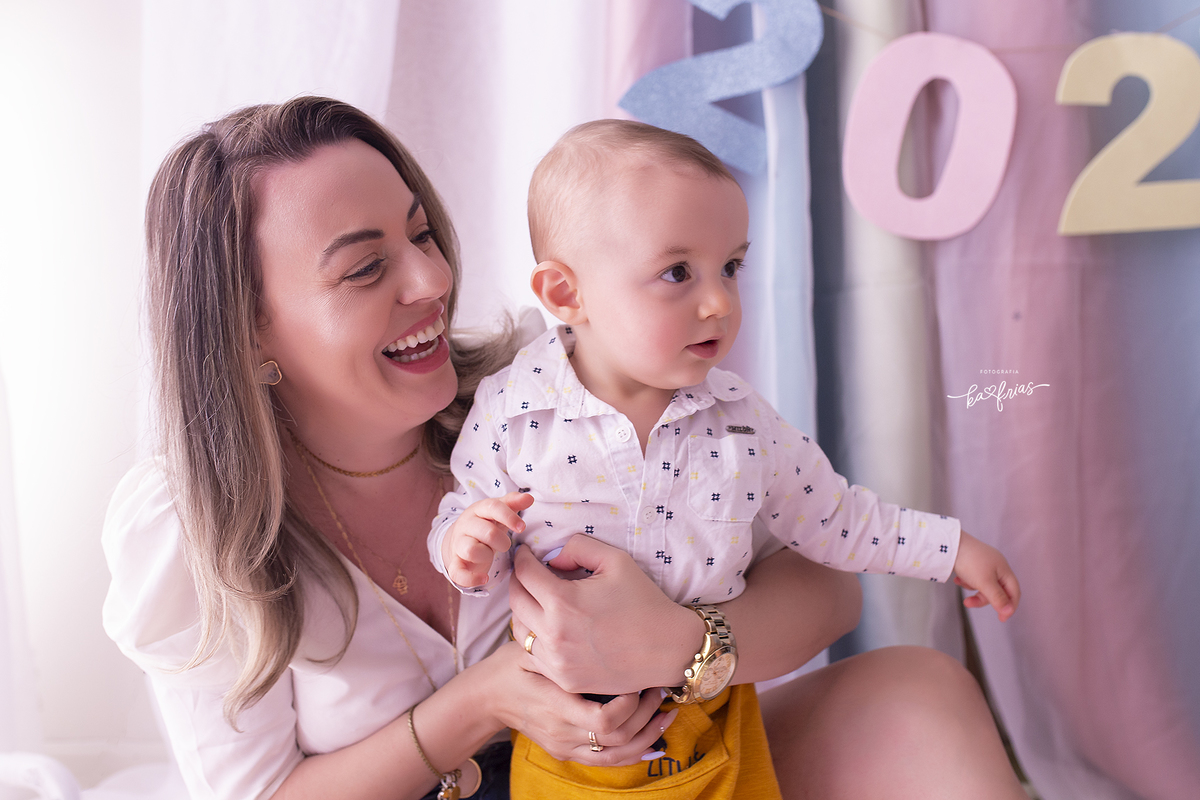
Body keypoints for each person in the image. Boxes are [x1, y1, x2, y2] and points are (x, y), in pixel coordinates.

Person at [101, 95, 1022, 800]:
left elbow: (827, 580)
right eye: (367, 267)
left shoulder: (542, 400)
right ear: (249, 332)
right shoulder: (194, 531)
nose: (432, 280)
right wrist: (486, 704)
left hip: (650, 771)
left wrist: (684, 645)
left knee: (918, 693)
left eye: (420, 232)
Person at [431, 120, 1022, 798]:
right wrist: (465, 545)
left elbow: (838, 518)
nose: (719, 303)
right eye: (677, 273)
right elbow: (465, 513)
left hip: (712, 718)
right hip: (571, 745)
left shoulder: (742, 423)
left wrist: (949, 549)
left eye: (731, 267)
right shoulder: (516, 410)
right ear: (567, 294)